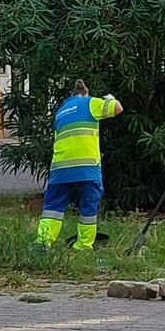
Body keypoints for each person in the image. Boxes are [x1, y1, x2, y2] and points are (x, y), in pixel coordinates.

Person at [35, 80, 123, 250]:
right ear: (86, 93)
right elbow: (118, 108)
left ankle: (43, 242)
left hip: (60, 168)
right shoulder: (90, 102)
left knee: (53, 207)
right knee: (88, 206)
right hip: (86, 167)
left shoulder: (60, 112)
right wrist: (110, 98)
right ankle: (83, 246)